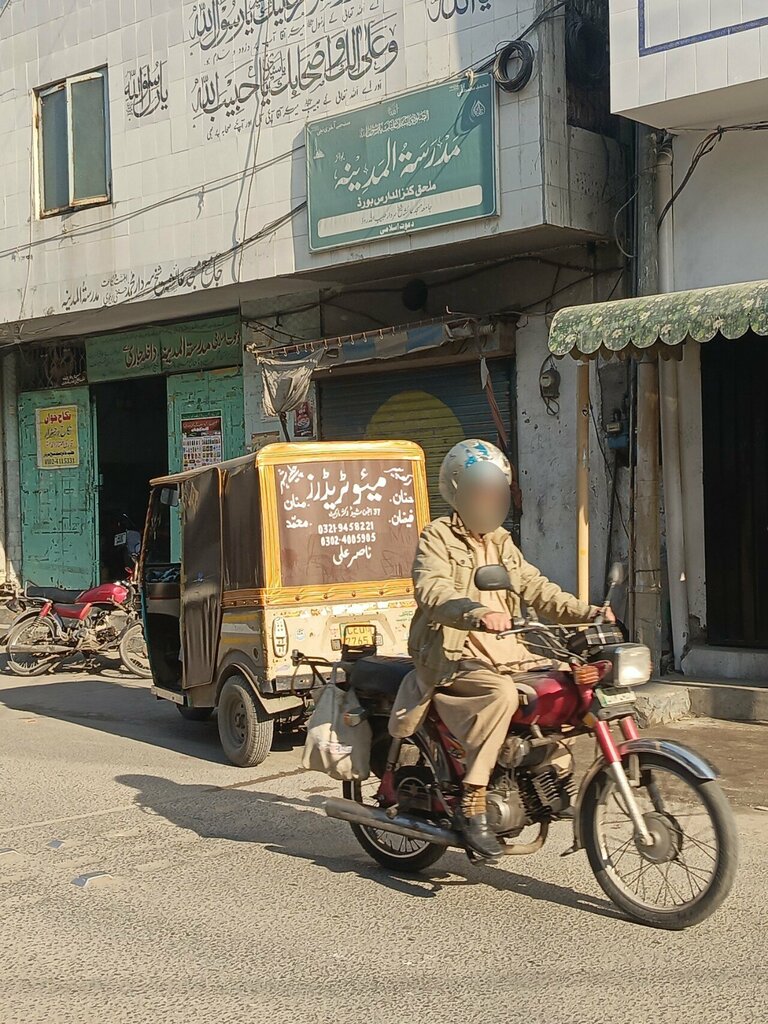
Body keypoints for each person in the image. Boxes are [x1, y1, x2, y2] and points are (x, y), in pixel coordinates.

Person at [389, 439, 612, 862]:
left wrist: (589, 611)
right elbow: (431, 589)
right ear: (457, 491)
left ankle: (546, 778)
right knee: (503, 695)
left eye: (495, 493)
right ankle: (473, 801)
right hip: (452, 651)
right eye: (480, 492)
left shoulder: (502, 542)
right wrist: (474, 611)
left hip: (506, 650)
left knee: (562, 689)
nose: (488, 501)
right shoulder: (437, 537)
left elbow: (536, 588)